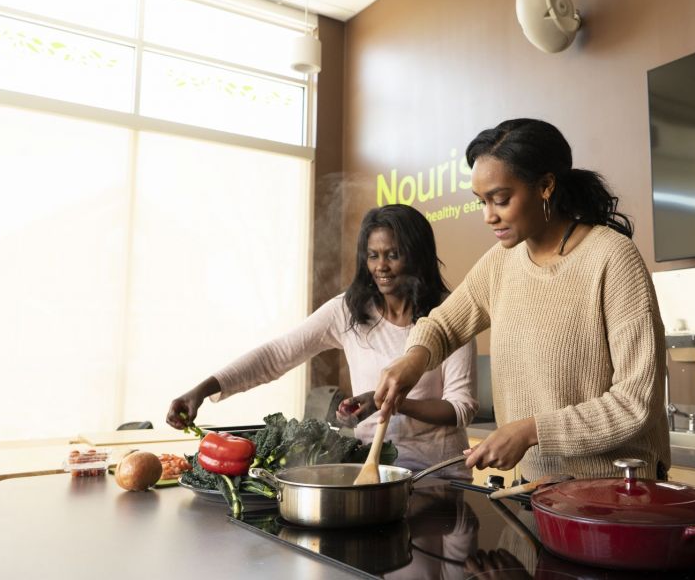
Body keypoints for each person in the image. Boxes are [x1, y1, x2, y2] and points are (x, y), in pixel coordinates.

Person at [374, 118, 669, 483]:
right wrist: (413, 359)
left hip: (616, 492)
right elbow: (442, 325)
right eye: (481, 202)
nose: (488, 216)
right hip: (535, 489)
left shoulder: (612, 258)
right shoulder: (501, 261)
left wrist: (532, 431)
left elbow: (636, 402)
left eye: (500, 200)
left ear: (545, 186)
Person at [166, 204, 477, 479]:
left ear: (417, 256)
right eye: (373, 255)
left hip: (438, 475)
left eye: (393, 255)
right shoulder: (349, 310)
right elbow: (277, 355)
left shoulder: (449, 314)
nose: (381, 266)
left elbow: (460, 408)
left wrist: (386, 401)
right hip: (374, 471)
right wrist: (203, 390)